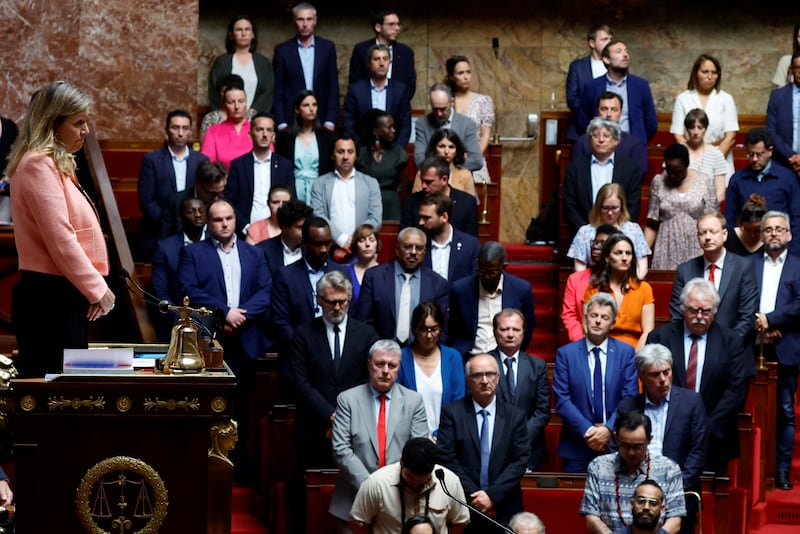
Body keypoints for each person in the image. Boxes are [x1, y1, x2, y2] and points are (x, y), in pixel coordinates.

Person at [8, 81, 115, 378]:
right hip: (49, 299)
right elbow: (61, 239)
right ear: (53, 124)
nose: (86, 131)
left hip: (63, 294)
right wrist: (97, 289)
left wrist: (87, 289)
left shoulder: (53, 164)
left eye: (86, 122)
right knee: (57, 398)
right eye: (78, 122)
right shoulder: (37, 165)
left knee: (70, 395)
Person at [178, 199, 272, 483]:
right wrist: (225, 313)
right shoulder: (193, 253)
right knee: (211, 404)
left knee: (243, 405)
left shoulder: (253, 254)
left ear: (235, 219)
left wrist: (240, 316)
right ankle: (207, 465)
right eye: (218, 219)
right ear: (208, 222)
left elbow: (265, 291)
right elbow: (190, 290)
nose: (224, 223)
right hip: (211, 340)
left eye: (229, 218)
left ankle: (240, 468)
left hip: (247, 339)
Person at [647, 278, 749, 474]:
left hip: (715, 436)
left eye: (706, 311)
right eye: (693, 310)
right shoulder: (660, 338)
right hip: (666, 433)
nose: (699, 316)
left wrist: (705, 429)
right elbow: (651, 384)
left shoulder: (731, 341)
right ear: (683, 308)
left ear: (715, 311)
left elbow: (736, 390)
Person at [329, 340, 428, 533]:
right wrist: (372, 488)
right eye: (379, 364)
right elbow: (340, 449)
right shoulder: (347, 399)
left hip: (401, 499)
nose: (385, 371)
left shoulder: (413, 401)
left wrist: (390, 487)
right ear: (369, 365)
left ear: (399, 368)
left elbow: (418, 449)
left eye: (392, 366)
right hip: (353, 499)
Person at [289, 271, 379, 469]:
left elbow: (370, 379)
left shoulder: (366, 334)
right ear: (319, 300)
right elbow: (301, 382)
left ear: (349, 298)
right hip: (314, 426)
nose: (337, 308)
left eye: (342, 301)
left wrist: (345, 417)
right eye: (331, 302)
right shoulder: (304, 334)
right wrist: (330, 415)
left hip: (357, 425)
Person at [617, 343, 708, 534]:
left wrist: (671, 489)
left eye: (667, 372)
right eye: (655, 374)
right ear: (641, 376)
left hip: (679, 495)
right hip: (635, 501)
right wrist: (639, 492)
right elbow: (617, 449)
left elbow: (698, 451)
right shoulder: (627, 407)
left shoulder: (691, 403)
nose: (663, 380)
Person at [437, 353, 530, 533]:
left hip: (505, 503)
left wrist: (492, 496)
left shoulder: (515, 415)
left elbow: (520, 460)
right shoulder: (452, 413)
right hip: (465, 502)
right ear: (468, 380)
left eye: (490, 374)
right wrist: (477, 497)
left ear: (498, 377)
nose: (485, 380)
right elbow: (447, 457)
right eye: (478, 375)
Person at [553, 292, 639, 472]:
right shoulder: (566, 354)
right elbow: (562, 400)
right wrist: (589, 432)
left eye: (604, 317)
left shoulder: (626, 353)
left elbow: (629, 397)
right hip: (577, 446)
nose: (598, 321)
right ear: (586, 318)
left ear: (613, 323)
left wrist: (608, 430)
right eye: (594, 316)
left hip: (616, 444)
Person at [752, 210, 800, 490]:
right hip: (751, 346)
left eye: (779, 229)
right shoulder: (747, 265)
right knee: (748, 411)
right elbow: (740, 303)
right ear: (761, 235)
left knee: (785, 411)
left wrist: (772, 319)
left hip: (786, 348)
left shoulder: (798, 265)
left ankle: (781, 470)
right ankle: (751, 468)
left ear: (789, 235)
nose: (773, 233)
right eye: (768, 229)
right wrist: (760, 325)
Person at [580, 411, 686, 534]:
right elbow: (591, 517)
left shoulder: (669, 469)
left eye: (637, 447)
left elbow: (675, 520)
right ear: (616, 438)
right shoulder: (598, 466)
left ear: (649, 440)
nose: (631, 452)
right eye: (625, 446)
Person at [669, 212, 759, 349]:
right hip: (693, 347)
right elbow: (677, 315)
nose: (707, 237)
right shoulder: (684, 270)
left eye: (713, 232)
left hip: (733, 348)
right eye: (703, 233)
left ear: (724, 234)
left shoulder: (743, 267)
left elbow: (748, 316)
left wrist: (727, 345)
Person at [350, 437, 470, 534]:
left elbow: (460, 523)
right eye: (411, 478)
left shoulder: (449, 482)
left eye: (422, 481)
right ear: (401, 461)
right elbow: (358, 522)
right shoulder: (377, 483)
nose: (416, 484)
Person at [270, 216, 348, 358]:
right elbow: (281, 322)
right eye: (318, 244)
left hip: (335, 356)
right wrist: (306, 349)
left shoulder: (342, 273)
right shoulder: (285, 277)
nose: (324, 249)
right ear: (304, 243)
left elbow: (349, 314)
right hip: (298, 356)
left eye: (327, 243)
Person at [355, 227, 450, 343]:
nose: (413, 252)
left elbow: (442, 328)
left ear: (425, 252)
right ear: (397, 249)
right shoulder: (374, 277)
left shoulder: (438, 284)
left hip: (421, 353)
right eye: (408, 247)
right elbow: (363, 322)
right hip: (380, 352)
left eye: (419, 248)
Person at [137, 109, 209, 257]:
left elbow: (205, 197)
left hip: (196, 232)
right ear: (167, 130)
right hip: (161, 231)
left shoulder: (201, 160)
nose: (180, 133)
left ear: (190, 131)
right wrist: (170, 223)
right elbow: (147, 201)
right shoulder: (152, 160)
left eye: (185, 128)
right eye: (175, 128)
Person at [448, 241, 535, 357]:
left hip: (505, 357)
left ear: (503, 267)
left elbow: (527, 328)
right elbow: (453, 328)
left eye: (491, 272)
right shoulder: (460, 290)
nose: (486, 277)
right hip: (469, 356)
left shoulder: (521, 289)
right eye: (482, 271)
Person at [490, 308, 551, 471]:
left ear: (523, 333)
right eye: (504, 329)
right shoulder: (483, 363)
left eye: (516, 329)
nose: (510, 334)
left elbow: (542, 411)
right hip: (492, 450)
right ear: (495, 332)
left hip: (529, 451)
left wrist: (520, 439)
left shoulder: (537, 366)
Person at [724, 128, 800, 255]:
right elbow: (729, 221)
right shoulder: (737, 180)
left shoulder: (787, 178)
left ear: (770, 151)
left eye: (759, 154)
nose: (754, 159)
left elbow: (797, 218)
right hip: (746, 249)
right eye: (750, 154)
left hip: (780, 248)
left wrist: (793, 253)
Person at [562, 117, 642, 237]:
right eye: (595, 135)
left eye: (606, 136)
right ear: (589, 140)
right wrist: (586, 231)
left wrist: (617, 230)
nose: (601, 140)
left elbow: (633, 205)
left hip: (620, 235)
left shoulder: (630, 168)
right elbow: (569, 206)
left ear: (616, 140)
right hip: (584, 234)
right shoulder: (575, 168)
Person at [397, 301, 466, 438]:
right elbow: (398, 405)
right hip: (409, 438)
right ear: (414, 330)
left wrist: (438, 435)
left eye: (434, 329)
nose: (429, 336)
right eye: (423, 329)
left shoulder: (453, 358)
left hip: (447, 437)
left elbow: (458, 404)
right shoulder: (401, 358)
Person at [644, 143, 717, 270]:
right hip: (666, 247)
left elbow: (713, 221)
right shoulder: (658, 181)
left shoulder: (704, 181)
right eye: (669, 171)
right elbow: (652, 223)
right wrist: (641, 253)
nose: (672, 176)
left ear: (686, 165)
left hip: (696, 246)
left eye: (677, 172)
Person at [576, 40, 658, 150]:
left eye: (626, 51)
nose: (625, 55)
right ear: (606, 59)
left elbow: (651, 122)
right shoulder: (592, 86)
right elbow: (583, 121)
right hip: (600, 148)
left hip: (633, 149)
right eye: (618, 51)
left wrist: (637, 142)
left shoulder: (641, 85)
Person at [225, 112, 294, 237]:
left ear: (274, 135)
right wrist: (246, 228)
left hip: (278, 231)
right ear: (250, 134)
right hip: (245, 231)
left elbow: (291, 200)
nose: (264, 134)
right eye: (259, 129)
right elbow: (229, 201)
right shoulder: (238, 165)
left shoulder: (285, 165)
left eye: (269, 130)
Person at [272, 2, 339, 131]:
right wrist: (281, 123)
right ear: (294, 21)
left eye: (309, 19)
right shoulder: (283, 50)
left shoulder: (327, 47)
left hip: (321, 116)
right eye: (300, 19)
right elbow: (278, 89)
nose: (305, 24)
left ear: (315, 21)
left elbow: (333, 87)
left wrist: (330, 121)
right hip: (291, 117)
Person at [670, 54, 739, 179]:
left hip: (720, 159)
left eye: (714, 73)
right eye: (705, 72)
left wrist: (712, 161)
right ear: (696, 73)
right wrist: (693, 159)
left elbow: (731, 136)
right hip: (690, 160)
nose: (710, 77)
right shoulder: (683, 99)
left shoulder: (726, 99)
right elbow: (678, 135)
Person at [310, 134, 383, 251]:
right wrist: (341, 239)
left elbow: (375, 219)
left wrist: (354, 241)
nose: (345, 157)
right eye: (340, 152)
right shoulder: (319, 184)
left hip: (362, 249)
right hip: (330, 249)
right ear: (332, 155)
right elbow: (318, 215)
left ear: (356, 155)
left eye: (350, 152)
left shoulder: (371, 183)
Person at [583, 234, 654, 351]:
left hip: (635, 352)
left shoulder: (644, 289)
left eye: (628, 253)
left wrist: (633, 359)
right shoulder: (593, 289)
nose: (624, 258)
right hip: (602, 350)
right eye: (618, 253)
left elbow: (648, 332)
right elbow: (587, 327)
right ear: (607, 258)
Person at [150, 197, 206, 340]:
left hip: (211, 320)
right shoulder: (165, 248)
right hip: (176, 322)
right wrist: (183, 317)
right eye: (191, 211)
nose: (198, 214)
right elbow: (160, 292)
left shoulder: (217, 242)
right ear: (180, 217)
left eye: (201, 210)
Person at [567, 182, 650, 277]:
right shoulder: (585, 232)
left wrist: (632, 285)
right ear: (598, 207)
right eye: (605, 208)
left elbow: (642, 265)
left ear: (622, 207)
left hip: (627, 283)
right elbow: (580, 266)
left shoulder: (634, 230)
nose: (610, 213)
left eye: (614, 208)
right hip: (594, 284)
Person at [274, 90, 336, 204]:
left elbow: (330, 168)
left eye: (314, 105)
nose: (311, 109)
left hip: (320, 189)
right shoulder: (285, 137)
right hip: (293, 189)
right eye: (306, 105)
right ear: (297, 109)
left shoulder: (327, 137)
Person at [343, 44, 411, 146]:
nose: (382, 63)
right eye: (377, 59)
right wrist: (360, 150)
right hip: (363, 150)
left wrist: (396, 152)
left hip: (392, 150)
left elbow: (405, 126)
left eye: (385, 59)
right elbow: (349, 124)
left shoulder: (400, 90)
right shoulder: (355, 90)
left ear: (390, 63)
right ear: (369, 63)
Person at [562, 225, 620, 342]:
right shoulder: (575, 279)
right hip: (582, 341)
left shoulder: (620, 280)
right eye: (595, 242)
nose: (595, 247)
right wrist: (583, 340)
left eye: (602, 243)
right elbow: (570, 316)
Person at [207, 14, 274, 114]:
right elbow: (215, 92)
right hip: (227, 119)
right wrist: (224, 115)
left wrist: (251, 114)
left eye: (247, 29)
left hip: (255, 120)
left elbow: (267, 92)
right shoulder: (222, 62)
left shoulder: (263, 63)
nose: (243, 33)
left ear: (253, 34)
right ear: (231, 34)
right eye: (239, 30)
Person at [570, 91, 647, 174]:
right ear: (597, 112)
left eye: (614, 110)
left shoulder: (634, 144)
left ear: (620, 113)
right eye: (604, 109)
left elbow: (637, 175)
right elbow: (576, 174)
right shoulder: (582, 142)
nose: (609, 114)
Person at [402, 155, 478, 237]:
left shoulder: (467, 202)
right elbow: (405, 237)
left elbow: (470, 241)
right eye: (422, 181)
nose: (423, 186)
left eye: (428, 182)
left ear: (444, 180)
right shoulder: (412, 201)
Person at [446, 55, 495, 183]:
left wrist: (473, 155)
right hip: (448, 160)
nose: (466, 76)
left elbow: (485, 135)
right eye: (461, 73)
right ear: (451, 76)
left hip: (475, 160)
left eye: (468, 72)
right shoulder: (445, 101)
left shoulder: (483, 101)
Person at [414, 83, 483, 172]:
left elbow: (476, 161)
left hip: (460, 182)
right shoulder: (422, 124)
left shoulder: (467, 124)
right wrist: (459, 159)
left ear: (452, 102)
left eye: (443, 109)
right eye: (435, 109)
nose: (439, 113)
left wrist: (435, 160)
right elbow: (420, 161)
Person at [348, 9, 416, 99]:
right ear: (378, 27)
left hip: (396, 108)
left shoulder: (406, 53)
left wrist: (399, 104)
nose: (397, 28)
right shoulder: (361, 50)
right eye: (392, 24)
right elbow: (355, 81)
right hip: (367, 107)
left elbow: (410, 84)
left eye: (398, 24)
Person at [355, 109, 408, 220]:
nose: (393, 130)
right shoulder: (362, 153)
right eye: (389, 127)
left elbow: (403, 185)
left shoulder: (398, 153)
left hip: (391, 203)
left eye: (394, 127)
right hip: (366, 201)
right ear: (376, 131)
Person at [566, 23, 614, 141]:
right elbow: (572, 98)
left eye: (610, 39)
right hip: (583, 130)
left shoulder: (616, 66)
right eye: (604, 39)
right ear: (592, 43)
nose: (609, 43)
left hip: (613, 130)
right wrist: (594, 115)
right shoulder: (577, 67)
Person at [418, 193, 480, 283]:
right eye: (421, 217)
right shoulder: (418, 244)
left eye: (426, 218)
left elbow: (474, 279)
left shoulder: (470, 245)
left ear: (444, 217)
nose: (421, 222)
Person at [160, 160, 227, 238]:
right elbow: (166, 236)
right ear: (198, 185)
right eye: (212, 193)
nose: (217, 198)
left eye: (220, 192)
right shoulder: (175, 201)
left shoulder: (224, 204)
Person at [256, 198, 313, 279]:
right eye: (300, 227)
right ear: (285, 227)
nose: (305, 231)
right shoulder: (263, 251)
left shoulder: (312, 248)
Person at [411, 129, 478, 198]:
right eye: (442, 146)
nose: (446, 151)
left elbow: (470, 203)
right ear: (434, 148)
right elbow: (415, 201)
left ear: (457, 150)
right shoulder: (422, 173)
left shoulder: (465, 175)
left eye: (451, 147)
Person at [200, 83, 253, 168]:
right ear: (224, 105)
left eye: (241, 101)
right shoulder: (213, 131)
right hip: (223, 179)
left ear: (246, 103)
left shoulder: (257, 130)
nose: (237, 106)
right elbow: (207, 165)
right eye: (231, 102)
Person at [680, 108, 727, 202]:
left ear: (705, 129)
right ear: (687, 129)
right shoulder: (677, 151)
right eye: (692, 127)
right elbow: (667, 187)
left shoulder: (716, 154)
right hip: (680, 207)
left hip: (707, 209)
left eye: (700, 127)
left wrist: (707, 209)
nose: (696, 132)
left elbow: (720, 192)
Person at [766, 51, 800, 175]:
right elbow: (771, 131)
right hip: (784, 163)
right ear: (791, 70)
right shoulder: (778, 96)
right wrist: (792, 157)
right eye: (798, 68)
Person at [201, 74, 258, 140]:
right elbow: (204, 144)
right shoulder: (211, 118)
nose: (229, 94)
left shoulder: (251, 115)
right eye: (224, 91)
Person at [347, 223, 381, 305]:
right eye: (362, 240)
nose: (367, 244)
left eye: (372, 240)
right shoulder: (346, 272)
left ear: (377, 244)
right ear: (355, 245)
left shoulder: (385, 273)